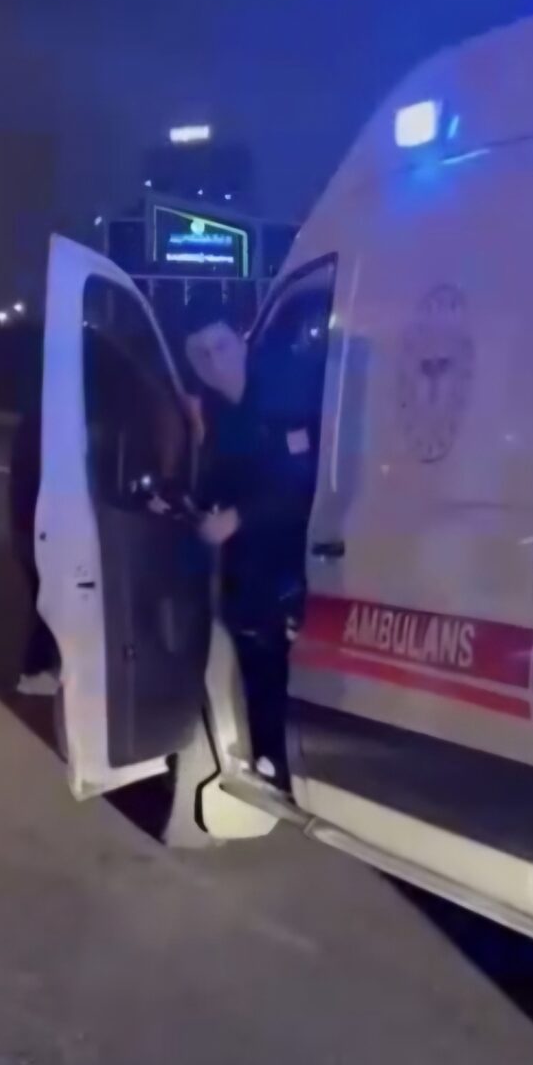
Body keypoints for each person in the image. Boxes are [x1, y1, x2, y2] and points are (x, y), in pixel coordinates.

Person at [183, 321, 314, 787]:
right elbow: (212, 484)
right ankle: (271, 763)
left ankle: (282, 764)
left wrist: (238, 517)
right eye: (202, 353)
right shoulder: (217, 414)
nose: (214, 359)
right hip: (247, 569)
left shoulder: (281, 396)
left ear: (241, 344)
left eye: (221, 346)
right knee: (255, 662)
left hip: (297, 558)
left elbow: (301, 487)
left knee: (279, 665)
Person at [8, 375, 59, 696]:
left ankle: (39, 668)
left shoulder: (32, 424)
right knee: (48, 602)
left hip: (28, 530)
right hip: (37, 531)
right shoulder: (43, 429)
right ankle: (34, 671)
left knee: (46, 600)